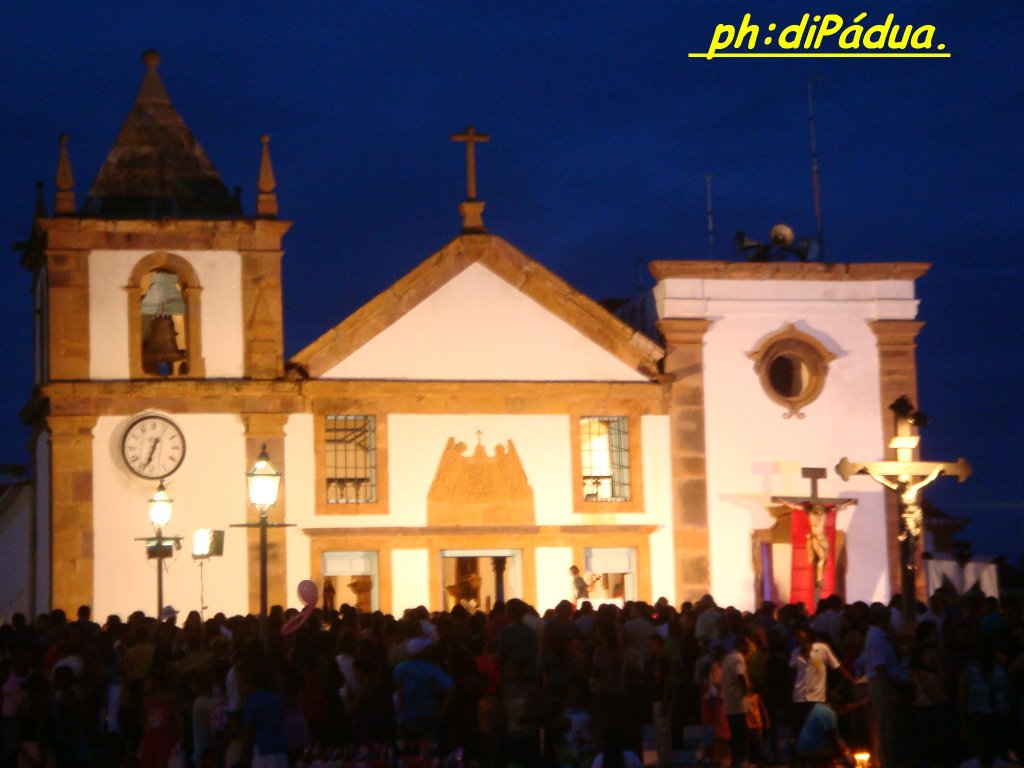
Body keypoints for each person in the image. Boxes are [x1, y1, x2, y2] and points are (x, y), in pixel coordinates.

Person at [794, 699, 855, 767]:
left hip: (803, 746)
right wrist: (847, 754)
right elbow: (834, 737)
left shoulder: (819, 707)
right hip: (812, 749)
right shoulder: (829, 713)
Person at [722, 635, 752, 768]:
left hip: (729, 701)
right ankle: (741, 760)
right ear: (741, 645)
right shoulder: (739, 658)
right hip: (738, 701)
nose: (749, 647)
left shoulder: (728, 657)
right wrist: (746, 691)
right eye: (747, 644)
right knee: (742, 733)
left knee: (735, 733)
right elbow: (740, 675)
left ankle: (736, 759)